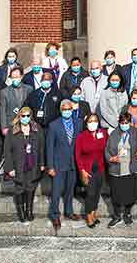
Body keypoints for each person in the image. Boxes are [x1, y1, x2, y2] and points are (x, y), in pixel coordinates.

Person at [4, 107, 46, 224]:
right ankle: (21, 211)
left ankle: (29, 210)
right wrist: (9, 168)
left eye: (28, 116)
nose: (26, 118)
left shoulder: (37, 129)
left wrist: (42, 163)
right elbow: (7, 151)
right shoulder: (12, 130)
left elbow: (42, 147)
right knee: (19, 188)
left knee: (31, 187)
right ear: (19, 116)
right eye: (23, 116)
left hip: (33, 163)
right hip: (18, 164)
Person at [46, 99, 82, 231]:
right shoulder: (53, 125)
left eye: (69, 109)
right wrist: (50, 166)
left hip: (72, 163)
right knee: (56, 191)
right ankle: (54, 214)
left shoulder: (78, 123)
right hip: (58, 164)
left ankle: (68, 211)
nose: (67, 111)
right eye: (65, 109)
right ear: (61, 110)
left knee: (70, 190)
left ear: (72, 110)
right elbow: (49, 147)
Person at [107, 113, 137, 227]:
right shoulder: (113, 133)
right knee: (116, 194)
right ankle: (117, 216)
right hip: (117, 169)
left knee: (131, 194)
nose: (124, 125)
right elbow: (106, 150)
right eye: (122, 123)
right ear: (119, 123)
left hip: (131, 168)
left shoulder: (136, 132)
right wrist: (111, 158)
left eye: (126, 123)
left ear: (130, 122)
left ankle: (127, 214)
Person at [76, 112, 108, 228]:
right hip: (87, 170)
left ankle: (94, 214)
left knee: (97, 193)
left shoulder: (102, 133)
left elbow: (107, 148)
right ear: (86, 123)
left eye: (95, 121)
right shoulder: (81, 136)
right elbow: (77, 155)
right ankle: (89, 217)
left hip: (100, 168)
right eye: (90, 121)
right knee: (90, 194)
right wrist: (82, 170)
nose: (93, 123)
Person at [0, 67, 31, 138]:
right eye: (13, 77)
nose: (15, 79)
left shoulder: (29, 89)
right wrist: (4, 127)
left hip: (26, 123)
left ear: (21, 76)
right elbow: (3, 111)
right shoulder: (4, 92)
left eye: (17, 77)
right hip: (11, 124)